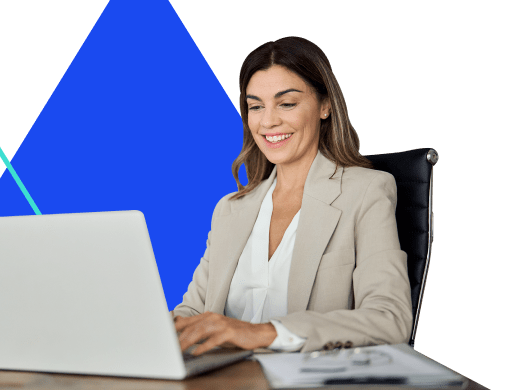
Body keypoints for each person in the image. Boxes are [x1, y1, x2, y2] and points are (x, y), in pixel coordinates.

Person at [171, 36, 412, 355]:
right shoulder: (230, 210)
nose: (268, 121)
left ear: (324, 106)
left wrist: (264, 333)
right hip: (221, 378)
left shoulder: (365, 192)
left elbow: (389, 319)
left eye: (286, 103)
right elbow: (192, 314)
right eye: (256, 106)